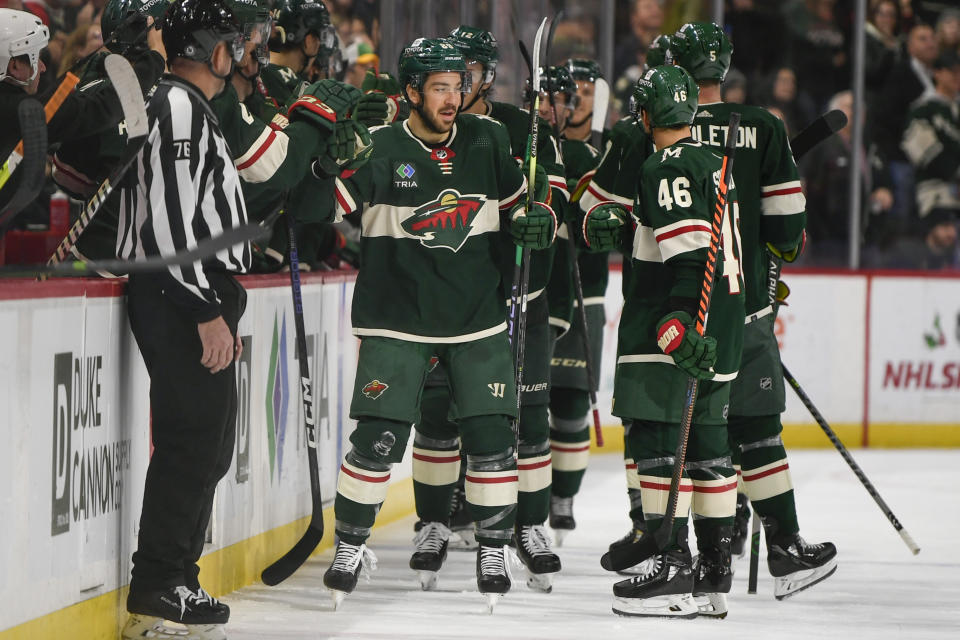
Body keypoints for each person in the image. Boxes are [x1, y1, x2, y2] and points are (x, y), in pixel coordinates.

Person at [317, 37, 555, 610]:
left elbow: (525, 204)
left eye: (459, 85)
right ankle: (349, 544)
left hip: (476, 319)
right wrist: (329, 145)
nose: (454, 98)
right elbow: (319, 207)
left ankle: (493, 546)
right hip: (397, 320)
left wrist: (534, 222)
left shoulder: (490, 138)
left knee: (494, 441)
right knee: (376, 441)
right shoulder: (378, 148)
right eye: (441, 88)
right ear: (412, 93)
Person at [672, 21, 837, 605]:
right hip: (747, 310)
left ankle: (691, 559)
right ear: (725, 67)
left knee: (698, 440)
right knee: (759, 434)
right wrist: (772, 264)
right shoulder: (763, 127)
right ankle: (785, 550)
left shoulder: (658, 125)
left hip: (678, 316)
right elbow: (789, 233)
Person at [403, 24, 568, 593]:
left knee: (528, 423)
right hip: (452, 303)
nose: (455, 86)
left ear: (485, 77)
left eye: (465, 74)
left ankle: (531, 526)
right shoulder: (427, 136)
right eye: (447, 77)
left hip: (521, 297)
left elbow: (555, 202)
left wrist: (540, 220)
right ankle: (432, 522)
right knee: (438, 416)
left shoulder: (524, 130)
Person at [584, 63, 743, 619]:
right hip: (724, 329)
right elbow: (693, 235)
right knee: (709, 450)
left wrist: (679, 321)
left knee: (653, 440)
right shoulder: (713, 163)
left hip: (672, 329)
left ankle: (671, 564)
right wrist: (627, 228)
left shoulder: (663, 164)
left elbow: (691, 253)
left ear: (647, 114)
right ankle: (714, 573)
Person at [116, 1, 251, 638]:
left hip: (192, 292)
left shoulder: (188, 107)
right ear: (209, 46)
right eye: (234, 40)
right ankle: (160, 585)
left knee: (207, 443)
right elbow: (170, 223)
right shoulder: (173, 105)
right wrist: (204, 309)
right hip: (179, 294)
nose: (242, 51)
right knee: (192, 441)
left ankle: (176, 577)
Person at [576, 41, 660, 567]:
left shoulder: (635, 134)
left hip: (659, 302)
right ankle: (712, 526)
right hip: (696, 300)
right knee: (700, 421)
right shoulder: (746, 130)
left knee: (658, 419)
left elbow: (592, 213)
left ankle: (656, 531)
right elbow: (591, 217)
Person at [545, 58, 609, 545]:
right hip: (532, 292)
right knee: (513, 403)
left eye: (585, 90)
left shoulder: (606, 155)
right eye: (571, 90)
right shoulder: (526, 145)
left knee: (569, 403)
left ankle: (562, 495)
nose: (577, 98)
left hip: (585, 291)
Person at [896, 51, 960, 269]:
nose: (958, 78)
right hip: (933, 197)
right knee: (939, 255)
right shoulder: (923, 109)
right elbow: (925, 153)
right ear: (938, 74)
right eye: (953, 73)